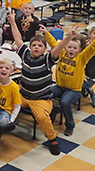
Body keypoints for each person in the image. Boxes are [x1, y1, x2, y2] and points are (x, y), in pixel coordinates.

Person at [8, 10, 75, 155]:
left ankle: (52, 139)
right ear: (30, 47)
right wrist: (13, 22)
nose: (36, 47)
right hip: (23, 96)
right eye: (34, 45)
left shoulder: (47, 59)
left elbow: (59, 47)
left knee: (42, 118)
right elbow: (18, 38)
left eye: (40, 45)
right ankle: (7, 124)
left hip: (40, 99)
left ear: (45, 49)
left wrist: (69, 37)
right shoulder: (25, 54)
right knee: (5, 102)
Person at [43, 25, 95, 136]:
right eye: (69, 47)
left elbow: (90, 50)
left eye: (75, 48)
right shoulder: (61, 53)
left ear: (79, 50)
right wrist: (46, 33)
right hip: (60, 87)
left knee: (65, 102)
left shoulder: (81, 58)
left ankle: (70, 126)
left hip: (74, 90)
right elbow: (53, 44)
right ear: (65, 47)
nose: (71, 50)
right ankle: (52, 114)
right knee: (46, 94)